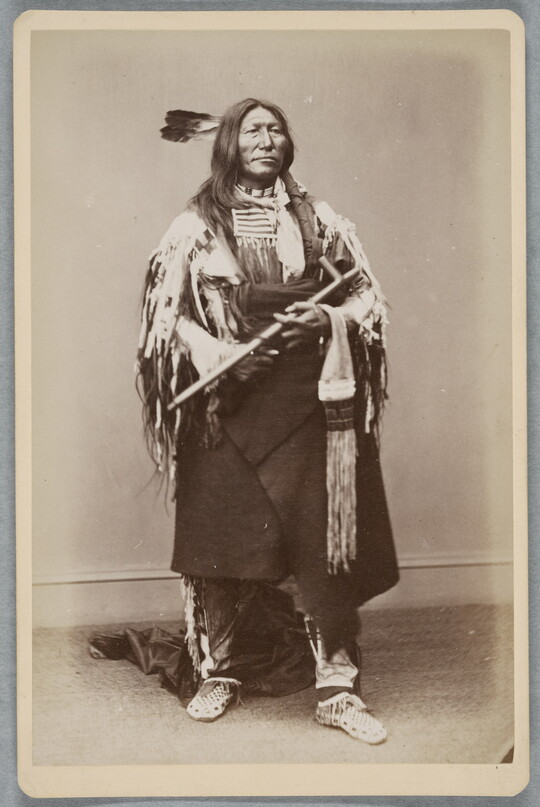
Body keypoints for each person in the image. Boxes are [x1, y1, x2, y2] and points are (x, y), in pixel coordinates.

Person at [137, 98, 399, 744]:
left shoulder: (320, 221)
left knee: (322, 541)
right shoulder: (194, 228)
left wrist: (329, 319)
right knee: (220, 539)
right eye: (253, 128)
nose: (267, 137)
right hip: (227, 402)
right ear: (228, 142)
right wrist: (216, 352)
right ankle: (220, 667)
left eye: (276, 128)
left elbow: (367, 295)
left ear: (289, 145)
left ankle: (337, 685)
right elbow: (164, 321)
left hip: (311, 402)